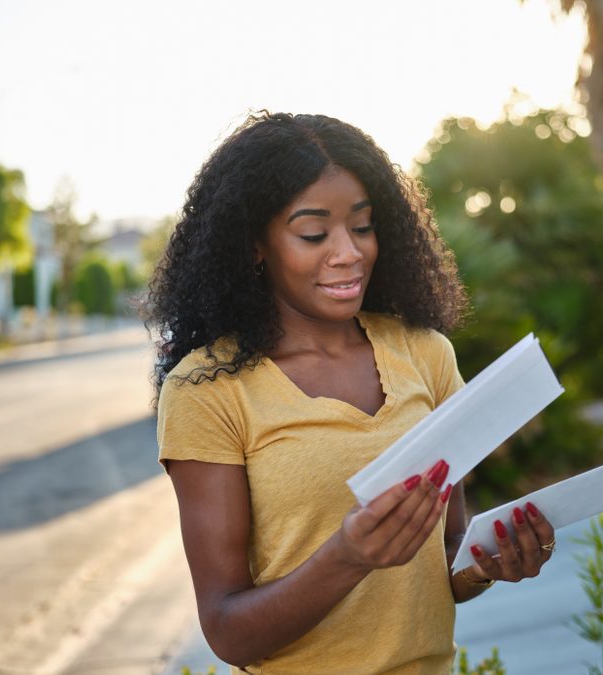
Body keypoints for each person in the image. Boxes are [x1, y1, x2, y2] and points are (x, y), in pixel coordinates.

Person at [147, 112, 557, 674]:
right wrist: (347, 558)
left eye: (362, 227)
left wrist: (490, 561)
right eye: (313, 233)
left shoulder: (424, 353)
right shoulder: (207, 391)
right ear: (254, 246)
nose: (349, 252)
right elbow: (227, 630)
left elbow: (446, 560)